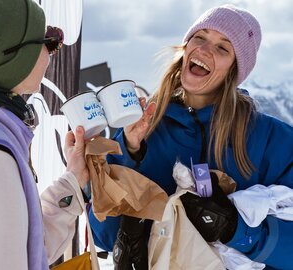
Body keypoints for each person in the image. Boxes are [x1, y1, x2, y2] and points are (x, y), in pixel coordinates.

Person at [88, 4, 293, 269]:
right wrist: (130, 154)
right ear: (186, 48)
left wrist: (236, 230)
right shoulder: (143, 129)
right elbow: (103, 237)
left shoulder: (272, 140)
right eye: (200, 37)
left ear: (235, 70)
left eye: (223, 48)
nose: (205, 50)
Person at [0, 0, 89, 269]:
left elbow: (25, 245)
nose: (53, 49)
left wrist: (72, 182)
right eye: (48, 40)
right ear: (15, 59)